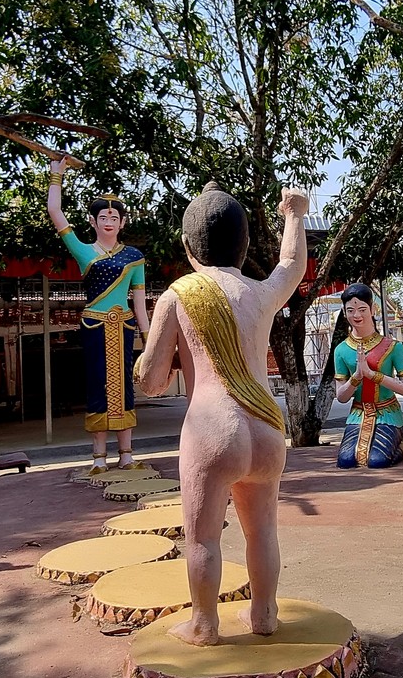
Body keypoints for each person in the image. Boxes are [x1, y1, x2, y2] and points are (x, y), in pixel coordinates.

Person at [135, 182, 309, 646]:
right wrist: (295, 214)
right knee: (263, 531)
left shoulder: (178, 295)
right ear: (245, 244)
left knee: (202, 539)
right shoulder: (261, 291)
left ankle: (204, 623)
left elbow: (152, 382)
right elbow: (292, 266)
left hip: (213, 430)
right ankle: (264, 614)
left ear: (187, 246)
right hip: (267, 425)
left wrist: (148, 362)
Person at [47, 157, 150, 475]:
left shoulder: (134, 257)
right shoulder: (84, 251)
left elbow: (139, 303)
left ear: (122, 222)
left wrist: (148, 339)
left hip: (124, 326)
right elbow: (54, 212)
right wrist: (56, 175)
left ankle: (126, 455)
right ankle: (99, 458)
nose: (108, 221)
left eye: (114, 217)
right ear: (92, 221)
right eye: (103, 216)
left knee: (125, 386)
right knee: (97, 385)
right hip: (94, 325)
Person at [333, 283, 403, 469]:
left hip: (387, 413)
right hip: (358, 413)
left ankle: (399, 447)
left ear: (372, 310)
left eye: (362, 309)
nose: (357, 315)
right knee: (346, 461)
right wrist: (357, 376)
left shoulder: (393, 347)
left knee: (377, 461)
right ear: (344, 312)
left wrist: (372, 375)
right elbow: (342, 397)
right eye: (351, 310)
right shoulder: (341, 350)